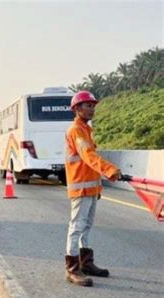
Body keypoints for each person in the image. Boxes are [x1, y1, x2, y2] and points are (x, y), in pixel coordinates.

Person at [64, 90, 123, 287]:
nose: (92, 109)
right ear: (77, 108)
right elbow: (88, 156)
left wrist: (98, 188)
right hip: (80, 189)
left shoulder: (86, 130)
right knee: (76, 227)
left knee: (86, 227)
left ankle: (86, 263)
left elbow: (89, 161)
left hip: (90, 189)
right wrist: (110, 169)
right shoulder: (76, 131)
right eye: (87, 105)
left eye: (93, 106)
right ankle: (72, 269)